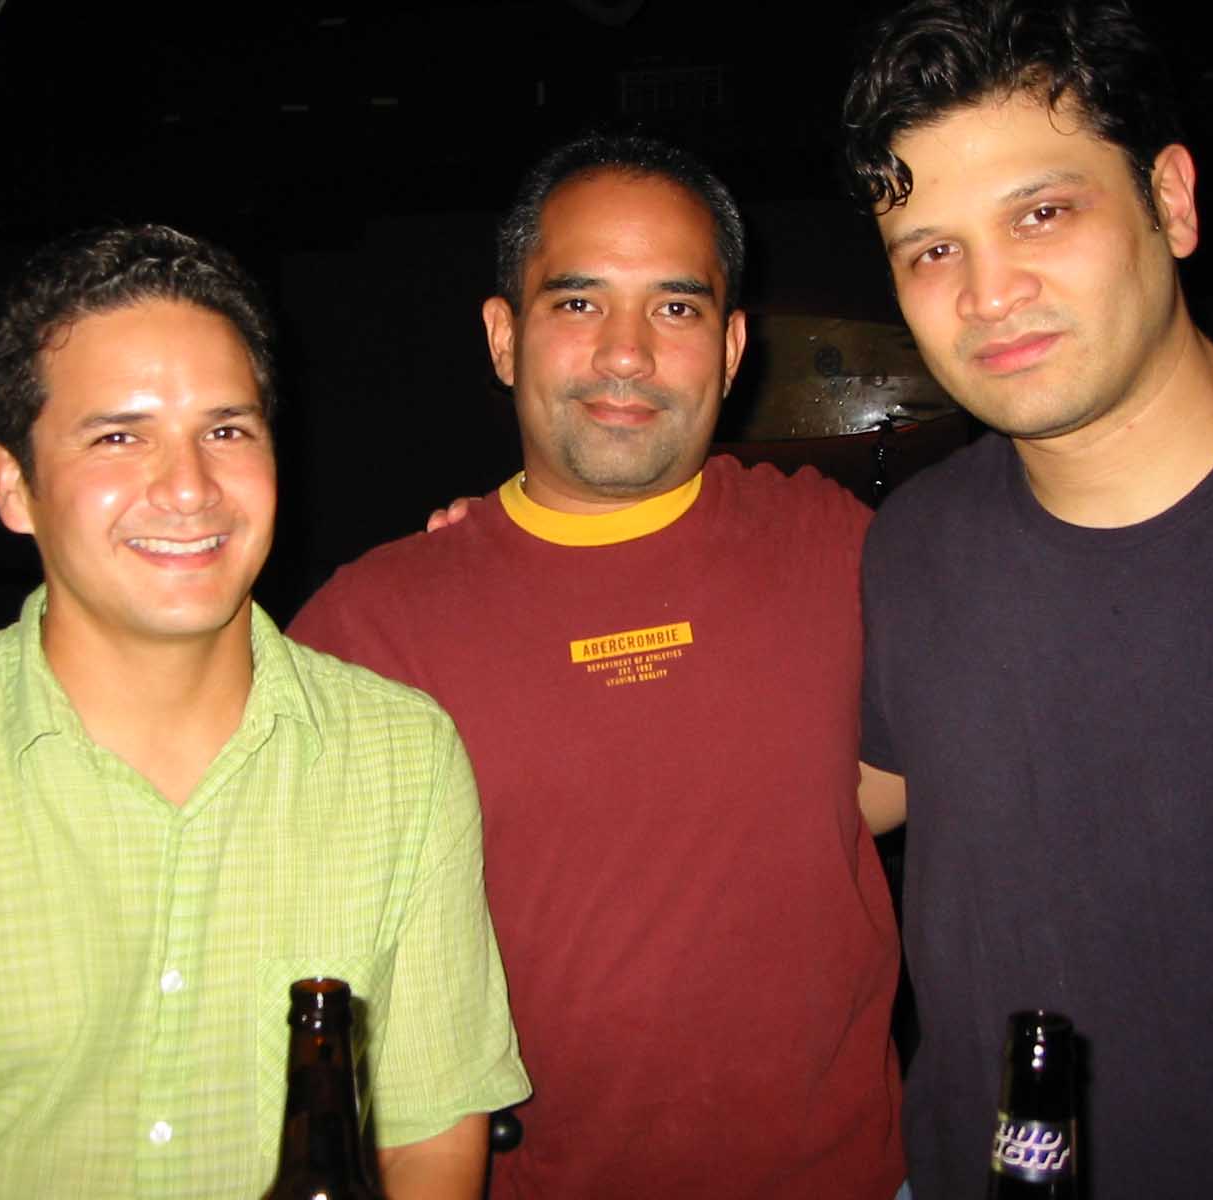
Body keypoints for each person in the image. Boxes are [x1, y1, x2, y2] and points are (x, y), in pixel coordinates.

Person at [0, 224, 529, 1198]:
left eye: (226, 430)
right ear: (14, 484)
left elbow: (431, 1141)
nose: (188, 487)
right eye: (118, 436)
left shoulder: (403, 757)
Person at [288, 135, 907, 1197]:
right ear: (503, 337)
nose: (626, 355)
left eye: (675, 308)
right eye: (578, 305)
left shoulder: (834, 545)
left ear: (731, 347)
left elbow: (894, 779)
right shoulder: (370, 623)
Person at [840, 2, 1213, 1197]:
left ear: (1172, 202)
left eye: (1042, 212)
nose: (988, 291)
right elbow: (834, 799)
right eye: (932, 249)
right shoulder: (915, 545)